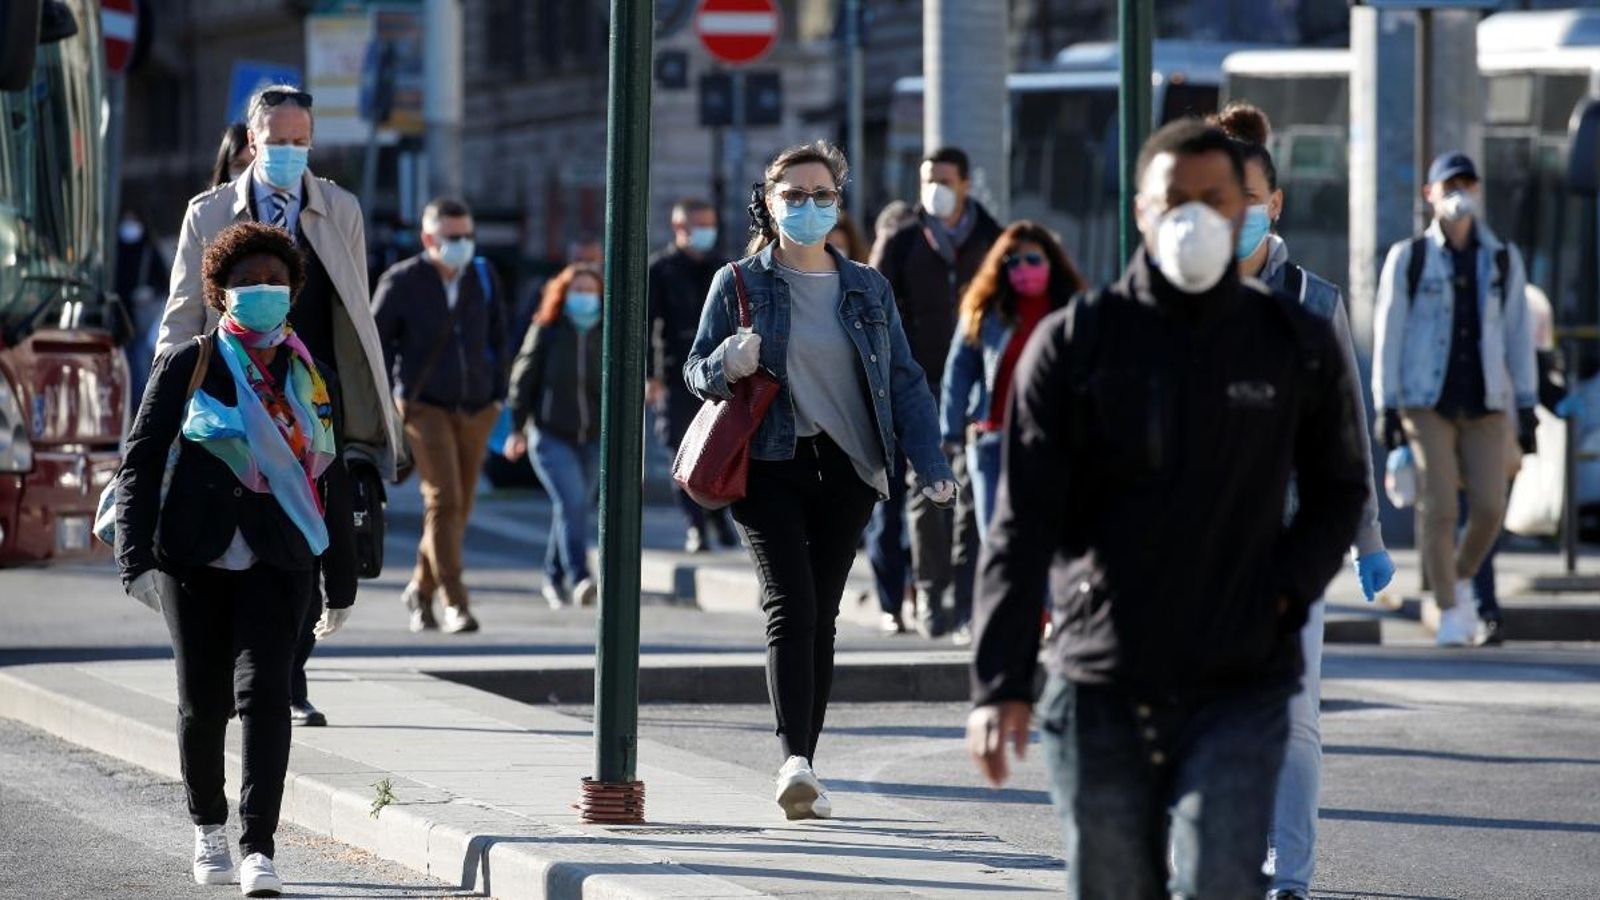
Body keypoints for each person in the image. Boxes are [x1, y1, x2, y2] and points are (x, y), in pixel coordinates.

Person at [967, 119, 1370, 898]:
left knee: (1222, 876)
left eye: (1215, 199)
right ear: (1143, 213)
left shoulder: (1294, 341)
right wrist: (999, 684)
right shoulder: (1076, 344)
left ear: (1247, 209)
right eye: (1174, 200)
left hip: (1239, 678)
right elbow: (1022, 524)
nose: (1195, 216)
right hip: (1102, 679)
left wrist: (1284, 592)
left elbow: (1339, 489)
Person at [684, 141, 954, 820]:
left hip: (849, 469)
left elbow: (905, 381)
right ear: (768, 206)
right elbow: (695, 372)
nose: (809, 207)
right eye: (794, 196)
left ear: (839, 203)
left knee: (824, 617)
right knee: (791, 607)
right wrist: (726, 361)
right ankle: (792, 761)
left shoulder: (867, 286)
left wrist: (933, 464)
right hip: (769, 464)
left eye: (822, 196)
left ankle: (806, 761)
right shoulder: (738, 281)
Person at [116, 222, 356, 897]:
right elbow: (139, 463)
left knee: (268, 698)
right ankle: (208, 828)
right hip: (195, 558)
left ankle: (259, 847)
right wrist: (134, 560)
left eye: (274, 282)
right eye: (247, 282)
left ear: (292, 292)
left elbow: (328, 480)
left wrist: (340, 583)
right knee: (202, 704)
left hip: (283, 559)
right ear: (221, 293)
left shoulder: (312, 377)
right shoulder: (190, 362)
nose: (262, 292)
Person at [159, 84, 403, 728]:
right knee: (251, 535)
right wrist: (167, 396)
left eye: (303, 141)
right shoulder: (209, 214)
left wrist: (371, 413)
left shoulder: (339, 208)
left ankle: (288, 677)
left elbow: (354, 309)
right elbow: (182, 312)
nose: (292, 152)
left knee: (312, 537)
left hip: (318, 401)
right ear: (251, 143)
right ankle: (256, 673)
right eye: (279, 142)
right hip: (234, 402)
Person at [1213, 101, 1396, 900]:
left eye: (1253, 198)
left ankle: (1290, 874)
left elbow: (1346, 432)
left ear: (1276, 204)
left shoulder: (1317, 302)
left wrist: (1368, 538)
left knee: (1291, 716)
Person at [1372, 150, 1537, 647]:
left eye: (1466, 184)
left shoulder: (1502, 258)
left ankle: (1460, 578)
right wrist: (1388, 404)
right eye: (1448, 187)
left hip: (1485, 400)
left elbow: (1517, 334)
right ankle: (1447, 609)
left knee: (1490, 507)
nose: (1458, 195)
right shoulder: (1410, 257)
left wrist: (1525, 404)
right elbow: (1388, 333)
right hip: (1427, 400)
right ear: (1430, 196)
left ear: (1479, 191)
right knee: (1440, 507)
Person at [873, 146, 1002, 639]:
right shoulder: (904, 241)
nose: (934, 189)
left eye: (944, 179)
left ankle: (967, 600)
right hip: (917, 380)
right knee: (928, 486)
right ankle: (930, 589)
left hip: (977, 381)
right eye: (928, 179)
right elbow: (876, 306)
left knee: (973, 493)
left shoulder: (993, 238)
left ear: (966, 184)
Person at [373, 198, 509, 634]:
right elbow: (376, 344)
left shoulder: (482, 275)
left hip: (477, 408)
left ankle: (419, 587)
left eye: (468, 235)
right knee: (444, 500)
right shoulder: (402, 281)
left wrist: (497, 396)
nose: (463, 244)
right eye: (454, 237)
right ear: (429, 239)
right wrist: (392, 398)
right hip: (423, 406)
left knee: (460, 506)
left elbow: (500, 337)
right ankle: (455, 602)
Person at [940, 222, 1083, 533]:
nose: (1023, 269)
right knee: (996, 542)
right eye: (1013, 262)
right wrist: (949, 435)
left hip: (1051, 444)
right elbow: (959, 370)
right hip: (994, 441)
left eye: (1032, 260)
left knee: (1047, 542)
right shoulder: (985, 311)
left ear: (1050, 262)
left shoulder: (1071, 312)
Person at [504, 264, 605, 609]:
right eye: (577, 290)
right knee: (572, 502)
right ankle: (580, 577)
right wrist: (516, 428)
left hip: (593, 437)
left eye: (591, 291)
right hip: (550, 434)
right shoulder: (547, 329)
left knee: (572, 508)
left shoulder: (608, 332)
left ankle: (552, 575)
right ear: (563, 294)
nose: (585, 298)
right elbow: (523, 377)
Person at [646, 198, 737, 553]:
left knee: (719, 450)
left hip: (720, 374)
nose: (704, 232)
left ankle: (716, 518)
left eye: (708, 224)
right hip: (674, 372)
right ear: (679, 228)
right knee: (681, 449)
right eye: (697, 225)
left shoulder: (723, 267)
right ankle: (696, 525)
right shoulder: (662, 269)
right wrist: (649, 376)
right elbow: (648, 325)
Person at [115, 209, 171, 403]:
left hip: (140, 317)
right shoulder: (114, 249)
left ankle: (139, 403)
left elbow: (164, 281)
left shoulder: (148, 249)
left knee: (139, 361)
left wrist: (149, 291)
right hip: (118, 315)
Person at [210, 122, 254, 189]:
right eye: (240, 165)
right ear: (225, 170)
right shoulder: (209, 199)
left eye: (255, 165)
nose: (248, 173)